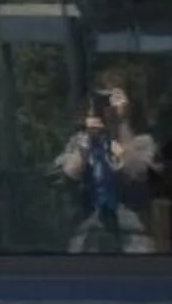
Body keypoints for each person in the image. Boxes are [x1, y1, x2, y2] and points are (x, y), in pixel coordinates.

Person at [57, 77, 160, 253]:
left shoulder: (142, 143)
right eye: (100, 99)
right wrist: (89, 138)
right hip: (87, 238)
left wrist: (122, 122)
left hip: (132, 238)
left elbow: (136, 172)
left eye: (112, 98)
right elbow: (68, 176)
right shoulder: (80, 143)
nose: (106, 105)